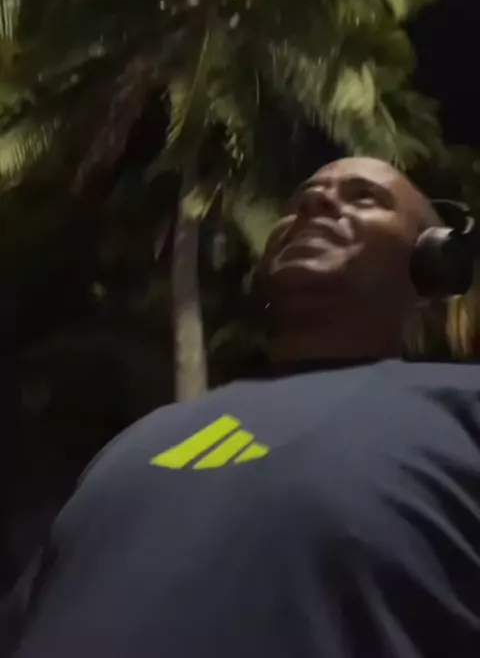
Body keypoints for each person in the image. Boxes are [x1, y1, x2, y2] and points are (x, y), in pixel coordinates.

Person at [8, 156, 480, 658]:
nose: (316, 202)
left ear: (434, 264)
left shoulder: (463, 406)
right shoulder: (134, 442)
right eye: (300, 200)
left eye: (364, 197)